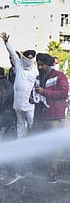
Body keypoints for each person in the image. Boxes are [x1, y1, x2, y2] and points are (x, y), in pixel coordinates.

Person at [33, 53, 69, 183]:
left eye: (42, 64)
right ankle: (43, 168)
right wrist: (32, 99)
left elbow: (64, 93)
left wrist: (44, 92)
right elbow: (35, 92)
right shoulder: (38, 78)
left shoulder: (59, 76)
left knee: (53, 145)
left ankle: (52, 172)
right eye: (38, 64)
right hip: (40, 116)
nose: (39, 66)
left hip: (54, 116)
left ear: (49, 64)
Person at [0, 32, 38, 138]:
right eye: (27, 58)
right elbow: (12, 52)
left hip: (29, 103)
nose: (29, 60)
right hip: (18, 102)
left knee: (31, 124)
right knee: (20, 125)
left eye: (31, 58)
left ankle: (33, 143)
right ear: (23, 58)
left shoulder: (35, 71)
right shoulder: (18, 65)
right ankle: (20, 143)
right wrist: (6, 42)